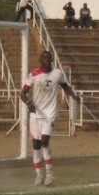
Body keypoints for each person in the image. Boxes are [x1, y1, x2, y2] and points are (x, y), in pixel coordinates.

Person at [20, 51, 78, 186]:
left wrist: (73, 96)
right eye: (44, 58)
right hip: (35, 114)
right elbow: (23, 94)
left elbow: (65, 86)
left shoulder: (57, 73)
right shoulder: (34, 75)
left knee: (44, 142)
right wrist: (29, 103)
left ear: (51, 59)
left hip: (50, 113)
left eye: (48, 58)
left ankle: (50, 174)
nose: (47, 60)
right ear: (40, 60)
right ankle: (39, 175)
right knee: (36, 146)